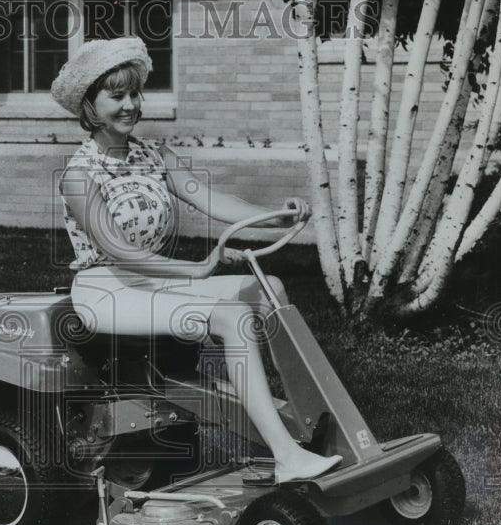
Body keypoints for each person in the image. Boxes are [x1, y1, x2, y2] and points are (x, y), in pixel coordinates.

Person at [52, 36, 341, 483]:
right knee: (230, 317)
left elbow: (214, 200)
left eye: (135, 93)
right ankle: (286, 456)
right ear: (89, 106)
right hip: (106, 290)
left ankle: (317, 423)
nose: (131, 104)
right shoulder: (79, 174)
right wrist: (195, 269)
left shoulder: (153, 156)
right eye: (117, 95)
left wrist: (278, 219)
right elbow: (117, 250)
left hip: (153, 283)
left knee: (270, 289)